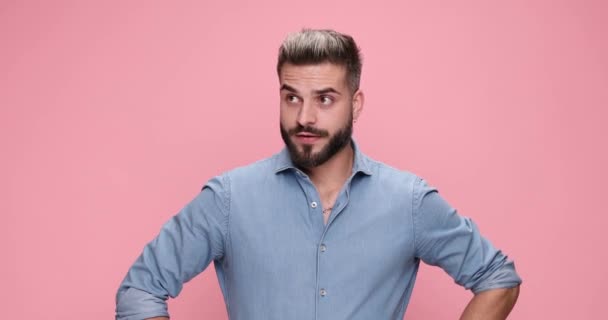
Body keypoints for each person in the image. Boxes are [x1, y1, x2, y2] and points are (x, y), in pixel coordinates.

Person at [116, 29, 521, 320]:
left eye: (325, 99)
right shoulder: (229, 199)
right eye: (292, 97)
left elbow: (497, 278)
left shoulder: (408, 201)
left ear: (356, 103)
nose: (304, 117)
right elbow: (140, 290)